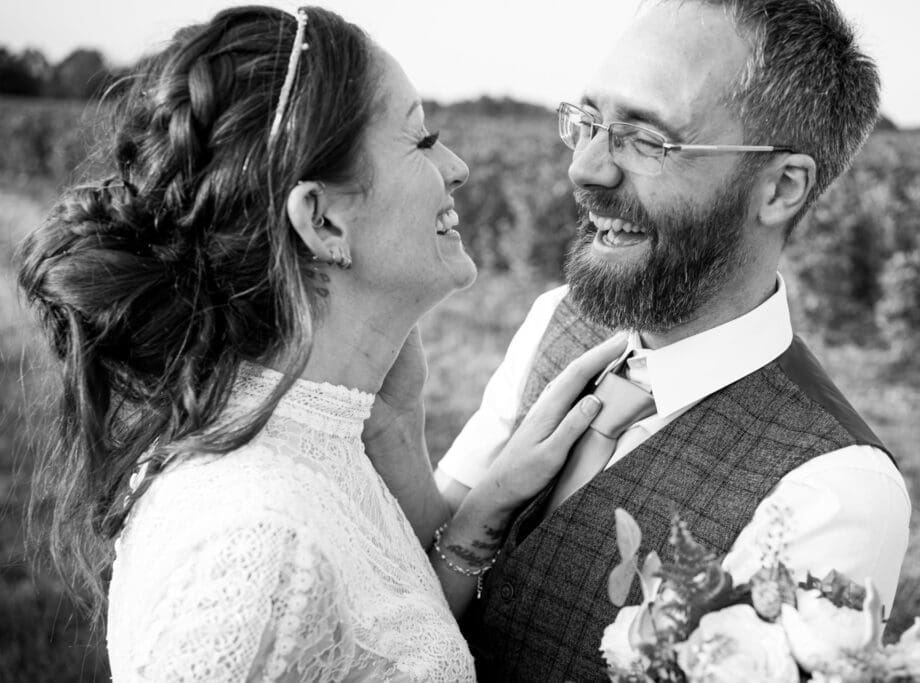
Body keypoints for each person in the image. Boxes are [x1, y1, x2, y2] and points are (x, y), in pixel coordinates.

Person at [16, 6, 625, 681]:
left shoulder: (320, 444)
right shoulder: (259, 551)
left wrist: (470, 496)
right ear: (322, 220)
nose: (456, 168)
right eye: (422, 140)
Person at [431, 0, 912, 679]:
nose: (585, 169)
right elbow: (430, 548)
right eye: (589, 123)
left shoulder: (833, 493)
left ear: (781, 188)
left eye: (646, 140)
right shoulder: (556, 319)